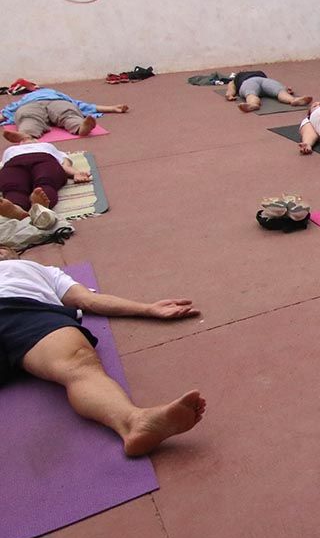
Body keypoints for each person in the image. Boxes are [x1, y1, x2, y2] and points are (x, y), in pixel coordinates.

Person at [0, 250, 205, 456]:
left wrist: (147, 309)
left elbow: (87, 299)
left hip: (27, 311)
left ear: (14, 253)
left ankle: (133, 422)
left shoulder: (44, 271)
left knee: (79, 363)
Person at [1, 130, 92, 211]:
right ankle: (17, 209)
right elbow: (5, 168)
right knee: (13, 186)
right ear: (19, 143)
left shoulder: (47, 146)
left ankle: (41, 206)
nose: (27, 141)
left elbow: (64, 164)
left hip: (44, 159)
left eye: (32, 139)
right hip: (14, 164)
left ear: (37, 141)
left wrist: (76, 173)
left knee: (45, 181)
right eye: (24, 139)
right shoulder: (10, 150)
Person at [1, 88, 129, 141]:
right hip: (31, 105)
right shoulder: (25, 98)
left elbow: (84, 106)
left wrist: (113, 108)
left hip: (58, 102)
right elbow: (7, 111)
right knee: (27, 116)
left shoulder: (59, 95)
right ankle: (26, 134)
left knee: (68, 112)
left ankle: (81, 127)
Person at [224, 70, 312, 113]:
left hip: (255, 81)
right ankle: (292, 100)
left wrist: (229, 94)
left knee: (251, 93)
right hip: (260, 80)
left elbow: (231, 87)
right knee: (279, 91)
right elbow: (231, 86)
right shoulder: (236, 79)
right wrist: (229, 94)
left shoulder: (238, 77)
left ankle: (253, 104)